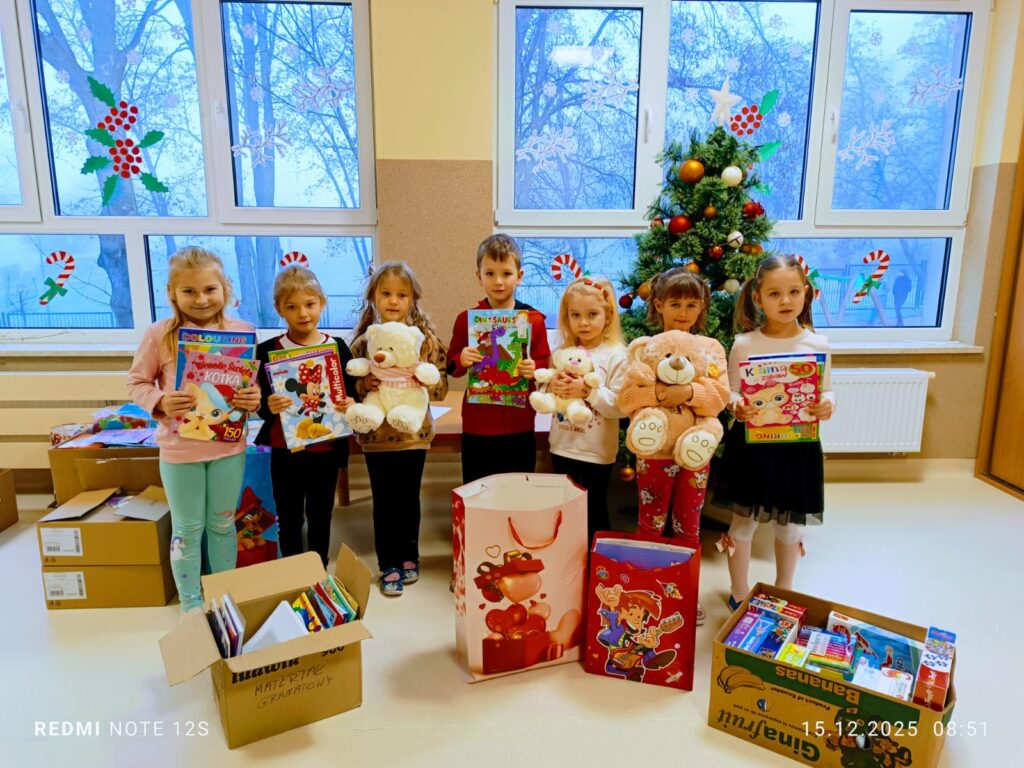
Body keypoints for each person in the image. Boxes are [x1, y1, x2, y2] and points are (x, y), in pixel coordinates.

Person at [127, 247, 260, 617]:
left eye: (210, 289)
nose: (201, 300)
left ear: (225, 289)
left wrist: (253, 397)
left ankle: (222, 598)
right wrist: (160, 401)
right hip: (179, 450)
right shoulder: (160, 335)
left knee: (222, 524)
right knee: (187, 527)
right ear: (172, 292)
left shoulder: (243, 332)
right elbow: (136, 382)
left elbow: (249, 387)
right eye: (189, 291)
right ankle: (190, 603)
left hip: (227, 448)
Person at [714, 254, 835, 611]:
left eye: (794, 292)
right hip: (752, 448)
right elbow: (732, 391)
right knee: (744, 524)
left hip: (798, 448)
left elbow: (826, 390)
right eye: (775, 294)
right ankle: (739, 592)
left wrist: (828, 404)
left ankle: (785, 590)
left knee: (788, 527)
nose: (785, 301)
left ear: (806, 294)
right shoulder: (745, 343)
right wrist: (737, 406)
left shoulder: (818, 344)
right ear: (758, 297)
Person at [617, 267, 730, 625]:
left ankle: (685, 592)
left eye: (692, 304)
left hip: (695, 452)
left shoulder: (711, 349)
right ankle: (644, 590)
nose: (683, 312)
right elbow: (626, 399)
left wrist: (690, 392)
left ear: (702, 308)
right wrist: (658, 394)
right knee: (650, 522)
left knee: (689, 525)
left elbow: (719, 398)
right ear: (659, 305)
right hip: (653, 453)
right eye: (675, 303)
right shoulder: (646, 348)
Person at [350, 262, 448, 596]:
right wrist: (366, 381)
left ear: (413, 299)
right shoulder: (365, 341)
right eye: (386, 293)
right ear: (374, 297)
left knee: (408, 499)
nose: (394, 301)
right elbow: (351, 389)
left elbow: (441, 388)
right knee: (384, 501)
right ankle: (388, 563)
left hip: (413, 437)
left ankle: (409, 556)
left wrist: (421, 376)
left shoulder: (426, 340)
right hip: (376, 438)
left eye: (402, 295)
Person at [255, 265, 357, 568]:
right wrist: (267, 404)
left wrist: (350, 402)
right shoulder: (266, 351)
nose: (303, 313)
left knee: (320, 514)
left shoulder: (337, 348)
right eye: (292, 306)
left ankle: (316, 569)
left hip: (326, 451)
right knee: (288, 516)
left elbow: (353, 394)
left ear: (322, 303)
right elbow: (257, 402)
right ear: (279, 309)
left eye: (310, 304)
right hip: (285, 451)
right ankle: (291, 570)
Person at [447, 234, 551, 484]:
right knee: (477, 487)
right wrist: (461, 358)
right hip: (478, 424)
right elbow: (451, 366)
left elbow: (545, 367)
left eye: (506, 273)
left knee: (517, 489)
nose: (499, 282)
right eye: (490, 273)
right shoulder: (467, 319)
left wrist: (534, 369)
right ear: (478, 276)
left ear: (520, 275)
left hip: (519, 423)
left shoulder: (534, 320)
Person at [546, 276, 628, 541]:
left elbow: (620, 406)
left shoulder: (616, 354)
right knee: (564, 511)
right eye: (575, 315)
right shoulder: (562, 351)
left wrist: (588, 391)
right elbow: (549, 397)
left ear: (608, 314)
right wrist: (552, 386)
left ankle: (598, 569)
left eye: (592, 314)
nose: (583, 322)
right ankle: (568, 562)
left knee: (594, 510)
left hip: (596, 451)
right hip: (562, 444)